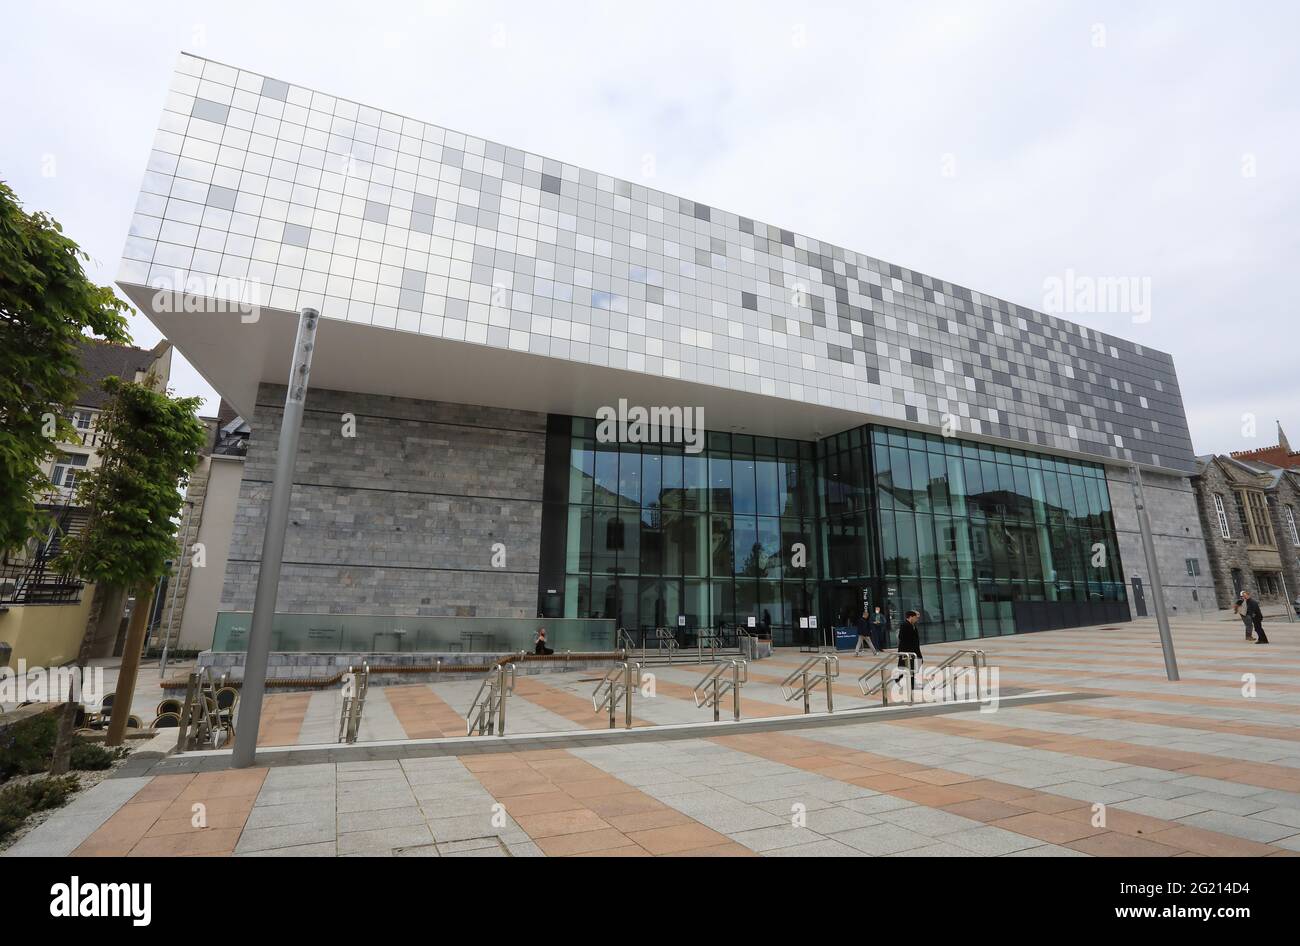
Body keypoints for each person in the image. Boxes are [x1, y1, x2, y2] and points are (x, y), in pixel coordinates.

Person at [895, 610, 923, 690]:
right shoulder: (904, 625)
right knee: (909, 667)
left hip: (914, 650)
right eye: (915, 617)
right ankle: (909, 683)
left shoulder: (913, 625)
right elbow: (901, 637)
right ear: (911, 617)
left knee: (913, 666)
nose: (916, 619)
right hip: (907, 651)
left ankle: (904, 680)